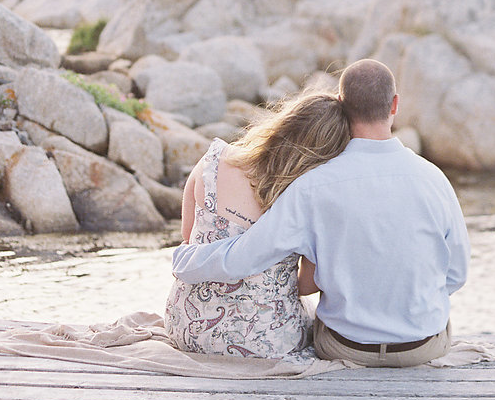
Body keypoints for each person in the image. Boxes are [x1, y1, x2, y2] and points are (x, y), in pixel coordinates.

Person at [171, 59, 470, 367]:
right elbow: (457, 274)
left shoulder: (312, 186)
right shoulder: (434, 179)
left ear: (342, 104)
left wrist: (185, 261)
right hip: (420, 348)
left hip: (347, 347)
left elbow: (247, 256)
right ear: (395, 105)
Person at [165, 92, 350, 358]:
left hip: (186, 327)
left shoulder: (213, 162)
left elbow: (188, 237)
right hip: (265, 341)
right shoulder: (306, 200)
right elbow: (307, 284)